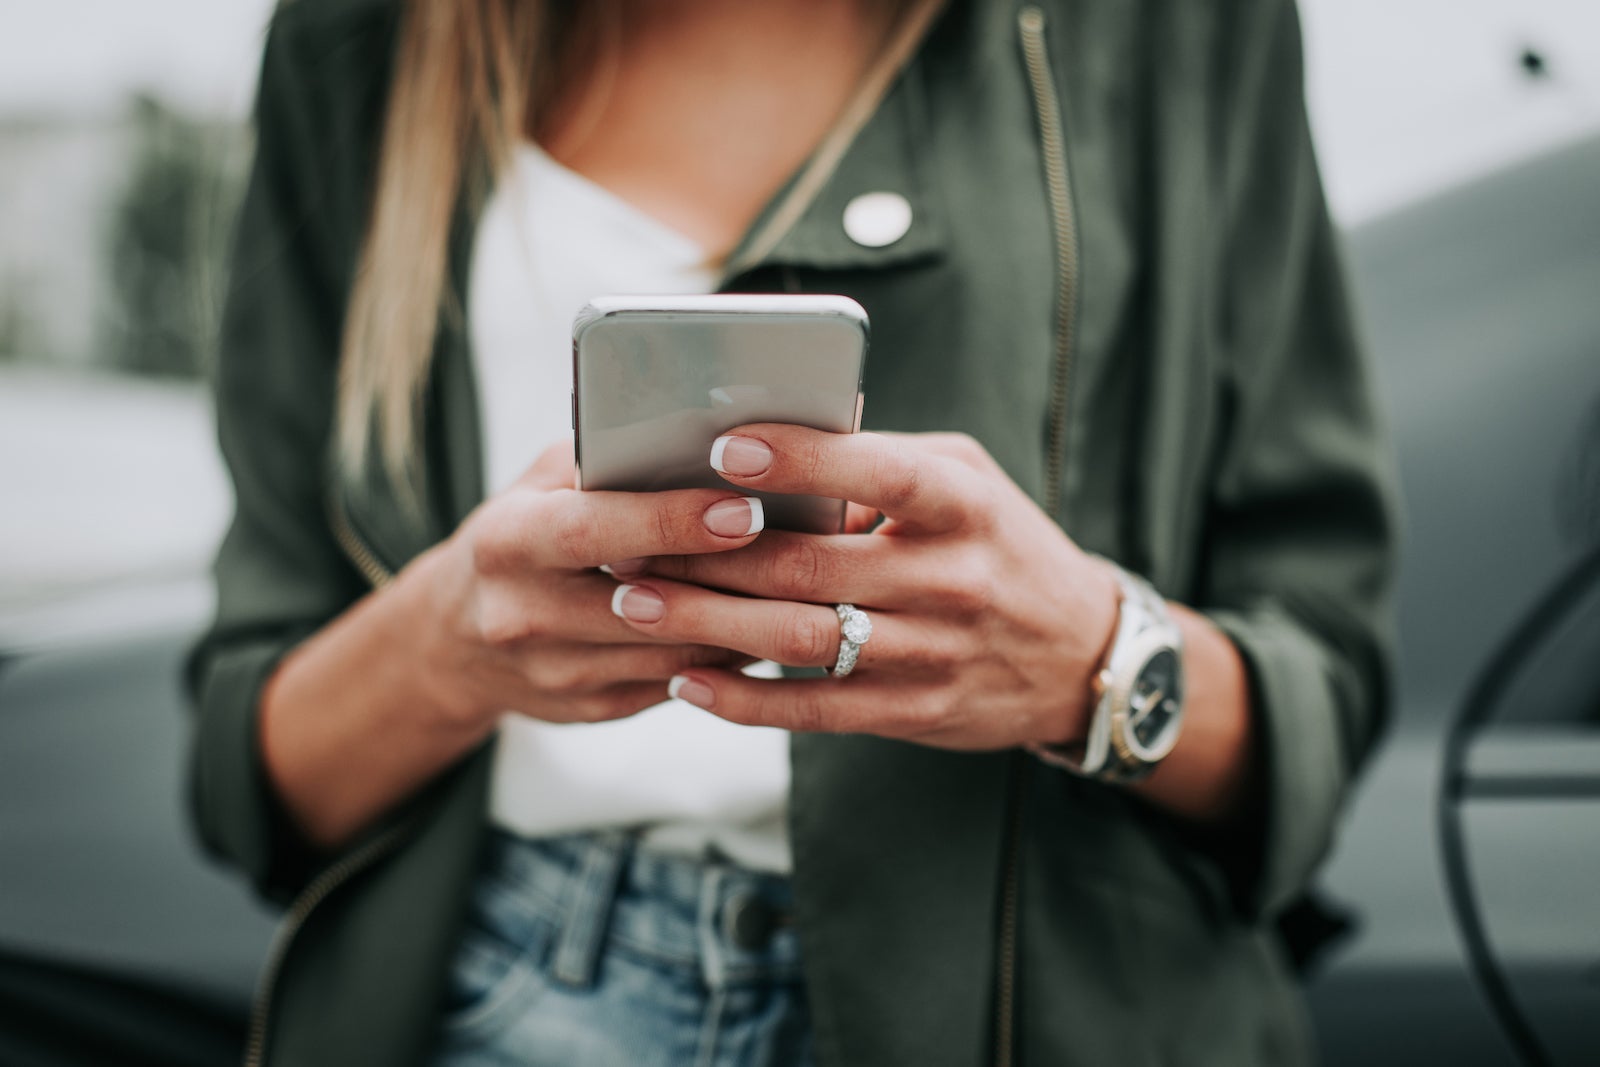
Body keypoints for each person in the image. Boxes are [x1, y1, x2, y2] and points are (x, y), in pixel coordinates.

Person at [185, 0, 1397, 1064]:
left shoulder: (1179, 25)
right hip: (517, 989)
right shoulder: (361, 41)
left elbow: (1319, 705)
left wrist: (1093, 656)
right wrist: (451, 640)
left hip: (1048, 1005)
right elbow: (252, 781)